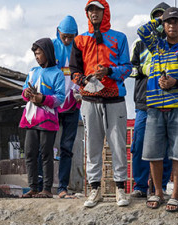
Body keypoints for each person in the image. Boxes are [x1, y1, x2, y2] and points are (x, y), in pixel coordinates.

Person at [138, 6, 178, 212]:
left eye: (175, 22)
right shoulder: (156, 45)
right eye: (168, 22)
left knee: (177, 153)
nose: (171, 25)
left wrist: (176, 82)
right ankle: (157, 192)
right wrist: (159, 21)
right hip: (155, 106)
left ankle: (175, 195)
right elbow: (142, 31)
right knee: (153, 153)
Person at [69, 0, 132, 208]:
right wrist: (84, 80)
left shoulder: (119, 38)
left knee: (118, 145)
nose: (93, 13)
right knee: (93, 146)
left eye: (97, 9)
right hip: (89, 99)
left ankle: (120, 189)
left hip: (115, 98)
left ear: (105, 12)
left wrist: (109, 71)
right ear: (86, 13)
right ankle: (94, 189)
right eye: (90, 10)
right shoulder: (79, 40)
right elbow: (74, 70)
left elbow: (127, 67)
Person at [130, 2, 172, 198]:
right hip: (143, 102)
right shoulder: (139, 43)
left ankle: (161, 186)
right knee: (139, 144)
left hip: (166, 102)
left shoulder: (174, 43)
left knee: (164, 146)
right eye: (157, 17)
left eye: (164, 18)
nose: (160, 20)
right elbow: (130, 69)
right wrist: (147, 70)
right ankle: (140, 186)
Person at [20, 38, 66, 198]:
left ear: (47, 53)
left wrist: (43, 99)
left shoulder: (57, 74)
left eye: (39, 54)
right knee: (30, 153)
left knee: (46, 154)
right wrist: (26, 93)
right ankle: (33, 187)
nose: (37, 57)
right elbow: (25, 90)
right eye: (35, 54)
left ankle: (46, 188)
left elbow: (61, 98)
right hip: (31, 119)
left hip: (47, 120)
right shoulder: (32, 72)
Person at [52, 16, 81, 198]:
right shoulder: (51, 47)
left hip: (72, 104)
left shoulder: (80, 49)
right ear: (58, 32)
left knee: (66, 148)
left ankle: (63, 187)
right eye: (64, 37)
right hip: (53, 105)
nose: (68, 40)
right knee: (46, 147)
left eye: (71, 37)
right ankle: (43, 186)